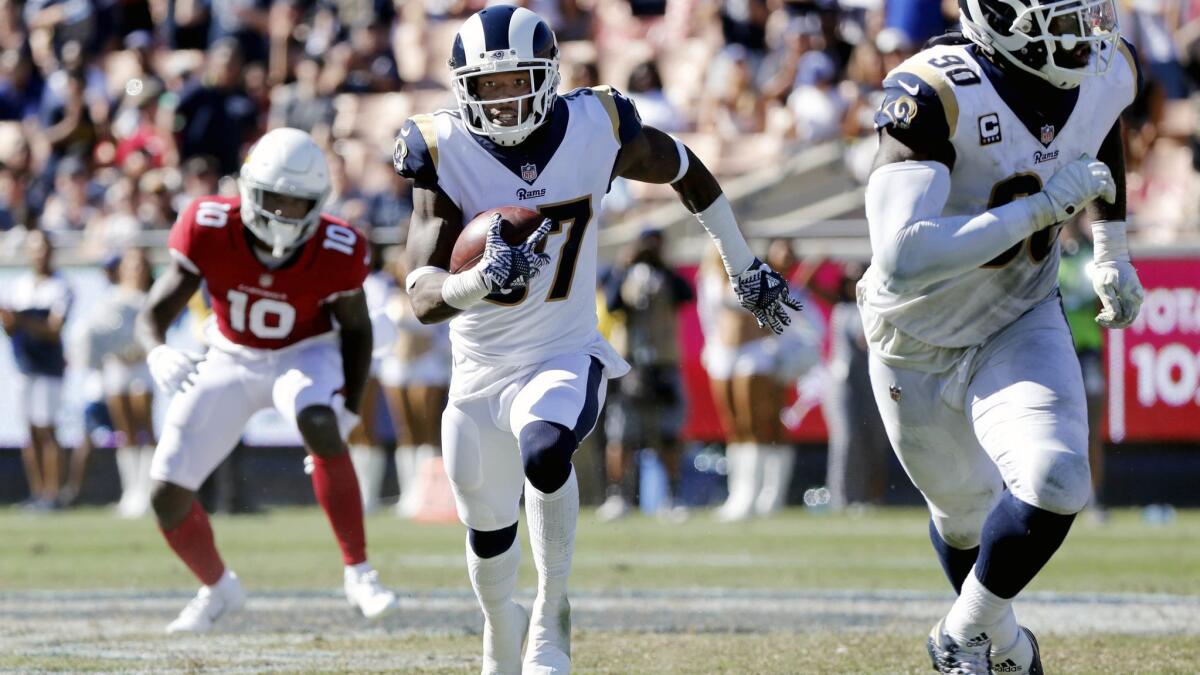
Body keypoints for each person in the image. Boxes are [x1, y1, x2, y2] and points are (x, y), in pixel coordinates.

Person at [394, 7, 802, 673]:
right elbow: (421, 295)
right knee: (488, 536)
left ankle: (553, 613)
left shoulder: (596, 125)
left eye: (514, 82)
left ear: (547, 76)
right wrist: (479, 281)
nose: (500, 100)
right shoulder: (441, 149)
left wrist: (740, 261)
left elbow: (686, 168)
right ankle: (503, 627)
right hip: (478, 371)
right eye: (486, 86)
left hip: (563, 348)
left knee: (547, 448)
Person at [861, 2, 1144, 671]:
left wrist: (1113, 247)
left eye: (1083, 14)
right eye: (1063, 17)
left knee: (1057, 475)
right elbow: (901, 253)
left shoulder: (1104, 66)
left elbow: (1099, 123)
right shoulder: (935, 91)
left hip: (1020, 313)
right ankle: (1010, 648)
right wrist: (1044, 208)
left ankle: (957, 638)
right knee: (962, 520)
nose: (1084, 33)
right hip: (913, 334)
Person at [135, 127, 398, 633]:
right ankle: (218, 589)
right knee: (166, 493)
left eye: (296, 203)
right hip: (231, 354)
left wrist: (350, 404)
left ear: (318, 203)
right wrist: (158, 351)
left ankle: (359, 573)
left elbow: (357, 330)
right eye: (273, 199)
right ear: (248, 190)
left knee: (319, 421)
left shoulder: (338, 246)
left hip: (304, 353)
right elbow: (154, 312)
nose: (282, 214)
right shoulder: (207, 224)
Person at [596, 228, 693, 522]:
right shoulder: (623, 276)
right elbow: (612, 303)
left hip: (663, 364)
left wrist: (662, 264)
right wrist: (624, 266)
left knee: (668, 435)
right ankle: (616, 496)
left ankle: (672, 496)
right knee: (621, 434)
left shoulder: (666, 277)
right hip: (629, 366)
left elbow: (687, 295)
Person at [0, 230, 72, 511]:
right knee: (30, 431)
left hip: (48, 368)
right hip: (23, 366)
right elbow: (11, 329)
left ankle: (53, 495)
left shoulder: (61, 286)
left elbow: (54, 330)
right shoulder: (19, 285)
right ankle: (37, 492)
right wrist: (10, 322)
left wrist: (20, 319)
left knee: (47, 431)